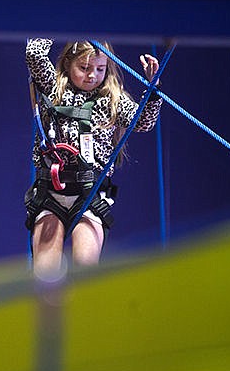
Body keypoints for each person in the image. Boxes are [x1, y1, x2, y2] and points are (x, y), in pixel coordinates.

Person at [24, 38, 161, 280]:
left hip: (90, 196)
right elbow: (34, 54)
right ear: (68, 64)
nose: (92, 76)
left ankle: (84, 314)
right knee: (45, 274)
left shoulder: (112, 101)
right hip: (51, 195)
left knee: (85, 271)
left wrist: (153, 87)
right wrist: (55, 19)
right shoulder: (54, 91)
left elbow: (143, 122)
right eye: (84, 68)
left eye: (100, 69)